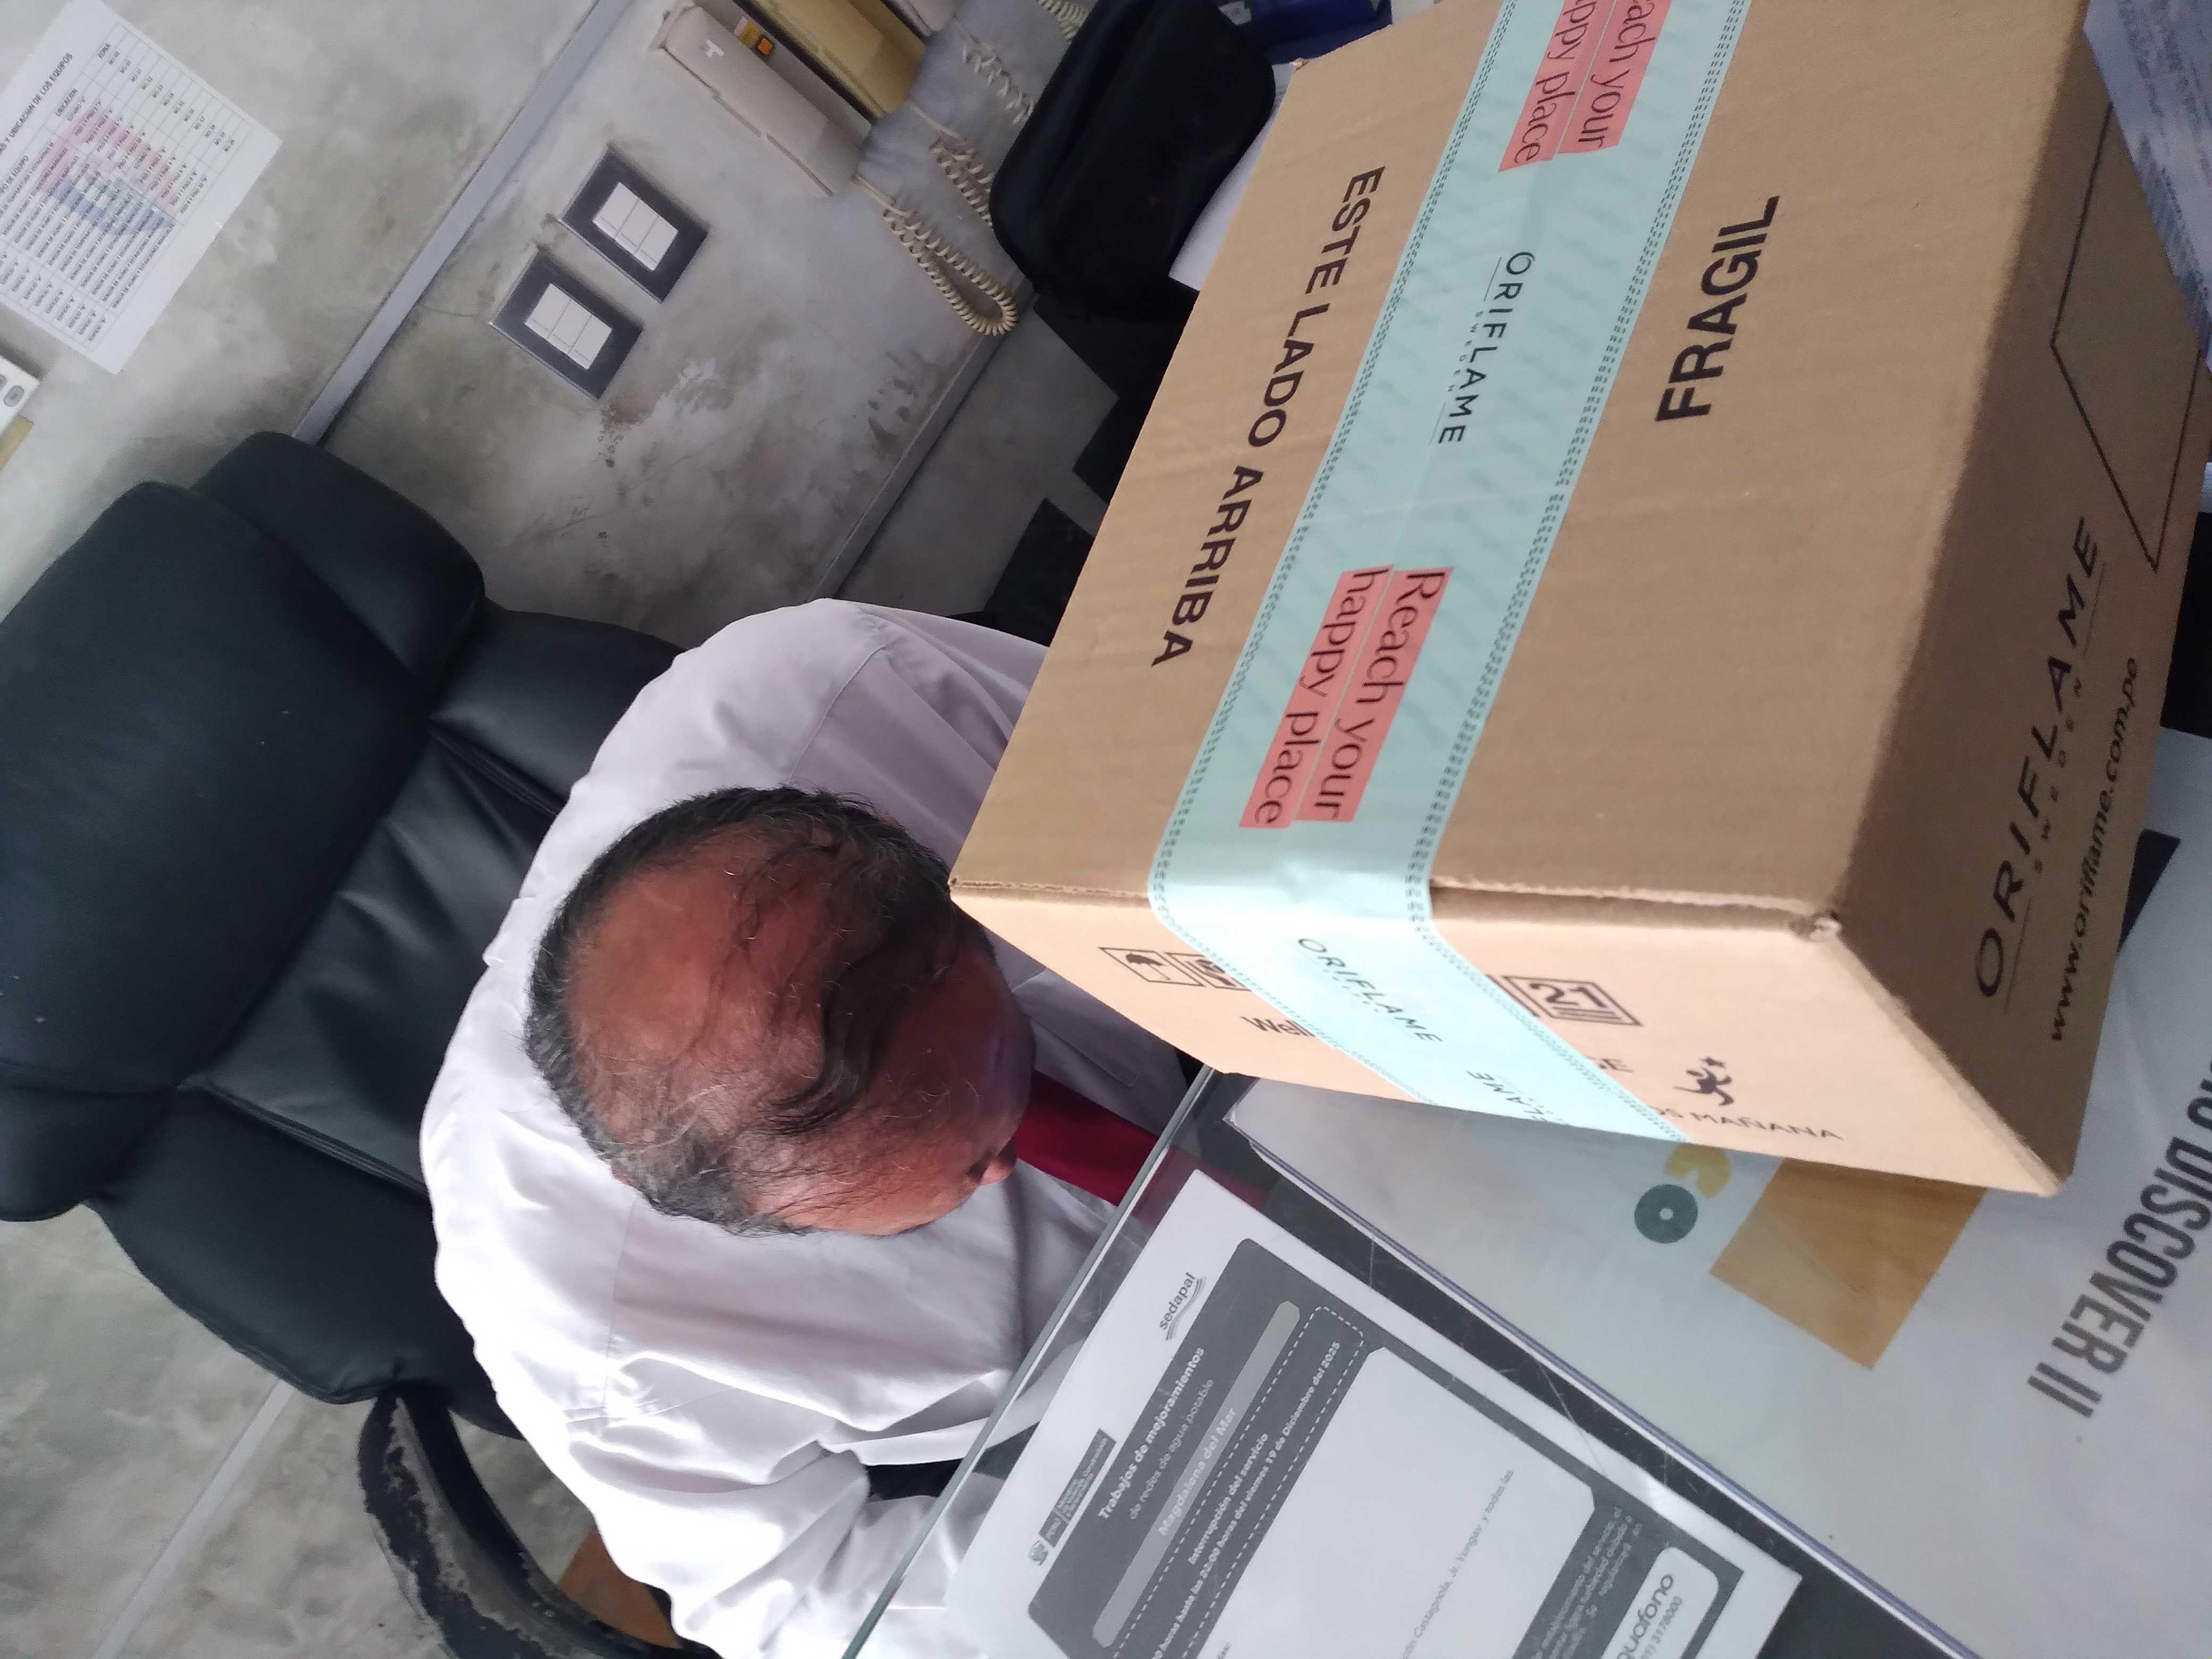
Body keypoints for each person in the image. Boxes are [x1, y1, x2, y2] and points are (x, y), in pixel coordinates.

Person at [421, 601, 1186, 1658]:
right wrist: (1145, 1540)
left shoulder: (852, 688)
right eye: (965, 1174)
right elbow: (791, 1602)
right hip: (1091, 1416)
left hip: (1255, 1073)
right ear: (724, 1216)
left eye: (1009, 1085)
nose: (1004, 1164)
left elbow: (1205, 772)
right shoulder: (584, 1329)